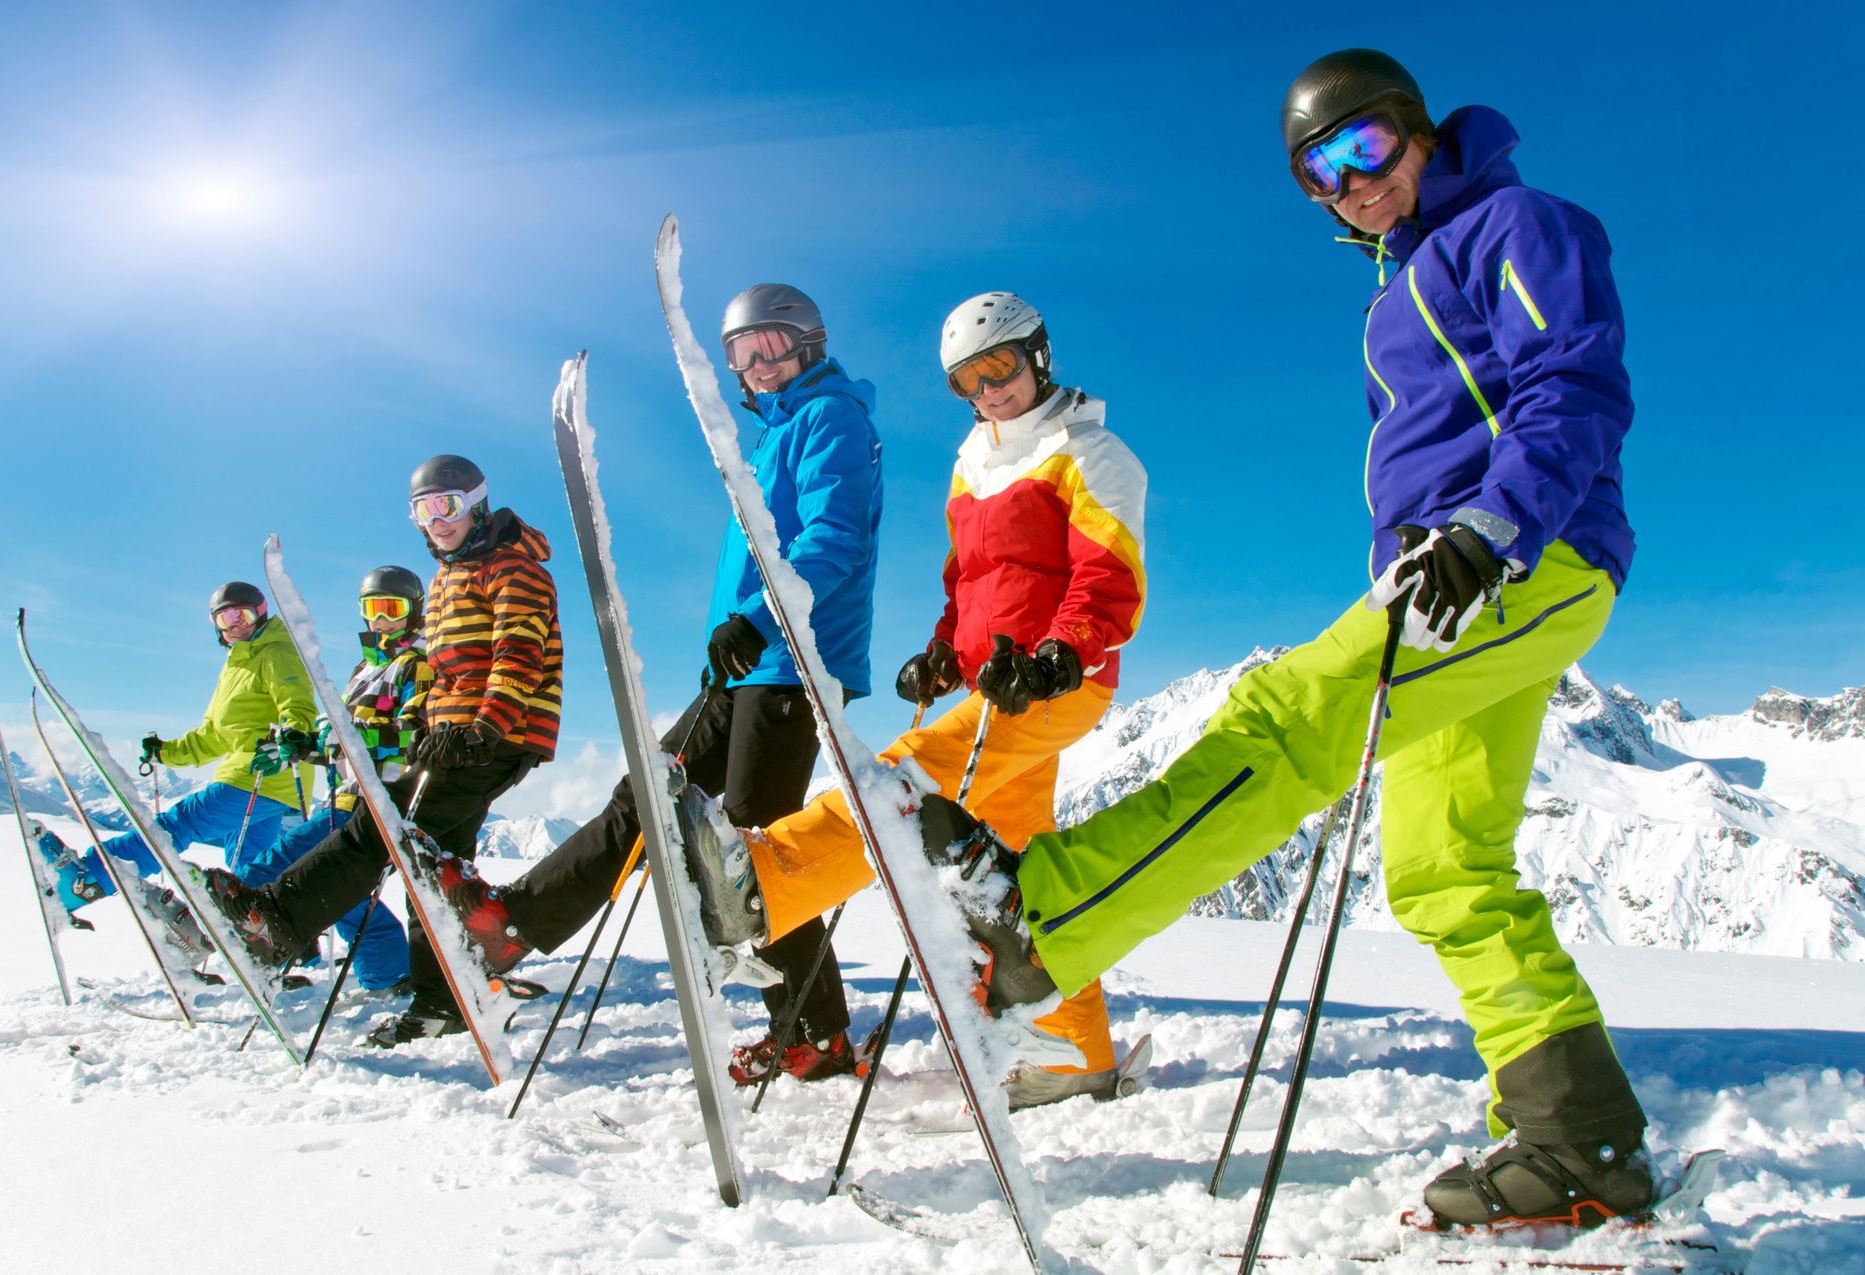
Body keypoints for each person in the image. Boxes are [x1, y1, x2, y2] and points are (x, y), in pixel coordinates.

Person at [916, 49, 1652, 1226]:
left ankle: (1042, 914)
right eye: (1318, 170)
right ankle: (1578, 1140)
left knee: (1285, 716)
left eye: (1364, 147)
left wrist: (1493, 524)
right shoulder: (1395, 289)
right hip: (1453, 573)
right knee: (1444, 870)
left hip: (1524, 557)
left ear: (1416, 129)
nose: (1348, 183)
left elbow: (1571, 379)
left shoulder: (1517, 221)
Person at [711, 292, 1149, 1108]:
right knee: (1026, 880)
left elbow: (1107, 578)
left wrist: (1060, 653)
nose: (988, 390)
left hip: (1053, 685)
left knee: (901, 786)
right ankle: (1073, 1051)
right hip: (989, 688)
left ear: (1038, 356)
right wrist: (944, 652)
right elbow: (968, 583)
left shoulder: (1089, 453)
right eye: (965, 381)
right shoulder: (973, 461)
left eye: (999, 367)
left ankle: (763, 884)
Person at [476, 283, 882, 1085]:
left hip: (792, 664)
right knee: (649, 797)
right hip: (745, 665)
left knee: (753, 853)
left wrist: (759, 624)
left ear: (810, 343)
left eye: (774, 345)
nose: (759, 363)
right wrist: (731, 639)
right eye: (742, 352)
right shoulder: (774, 434)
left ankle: (817, 1033)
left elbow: (833, 542)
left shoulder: (833, 418)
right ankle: (510, 924)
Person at [205, 455, 564, 1046]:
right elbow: (447, 677)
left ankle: (278, 921)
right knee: (433, 864)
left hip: (494, 736)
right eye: (423, 509)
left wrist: (485, 727)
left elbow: (518, 656)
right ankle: (444, 995)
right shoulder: (453, 573)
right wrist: (428, 728)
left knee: (382, 831)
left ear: (477, 502)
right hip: (455, 738)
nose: (436, 518)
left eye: (447, 504)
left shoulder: (511, 568)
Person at [34, 582, 317, 949]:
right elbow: (213, 737)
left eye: (242, 614)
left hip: (262, 773)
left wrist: (293, 733)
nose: (234, 624)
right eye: (224, 617)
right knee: (251, 873)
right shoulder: (238, 666)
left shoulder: (275, 653)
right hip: (256, 779)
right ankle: (282, 949)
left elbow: (297, 702)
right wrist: (165, 753)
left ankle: (91, 879)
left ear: (260, 614)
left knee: (175, 826)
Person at [245, 565, 430, 995]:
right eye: (372, 609)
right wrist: (302, 745)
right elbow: (340, 745)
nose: (381, 620)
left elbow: (417, 735)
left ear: (413, 611)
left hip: (377, 799)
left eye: (391, 608)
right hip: (345, 796)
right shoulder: (361, 672)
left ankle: (269, 951)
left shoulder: (417, 666)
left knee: (271, 871)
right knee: (337, 889)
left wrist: (357, 734)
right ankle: (388, 972)